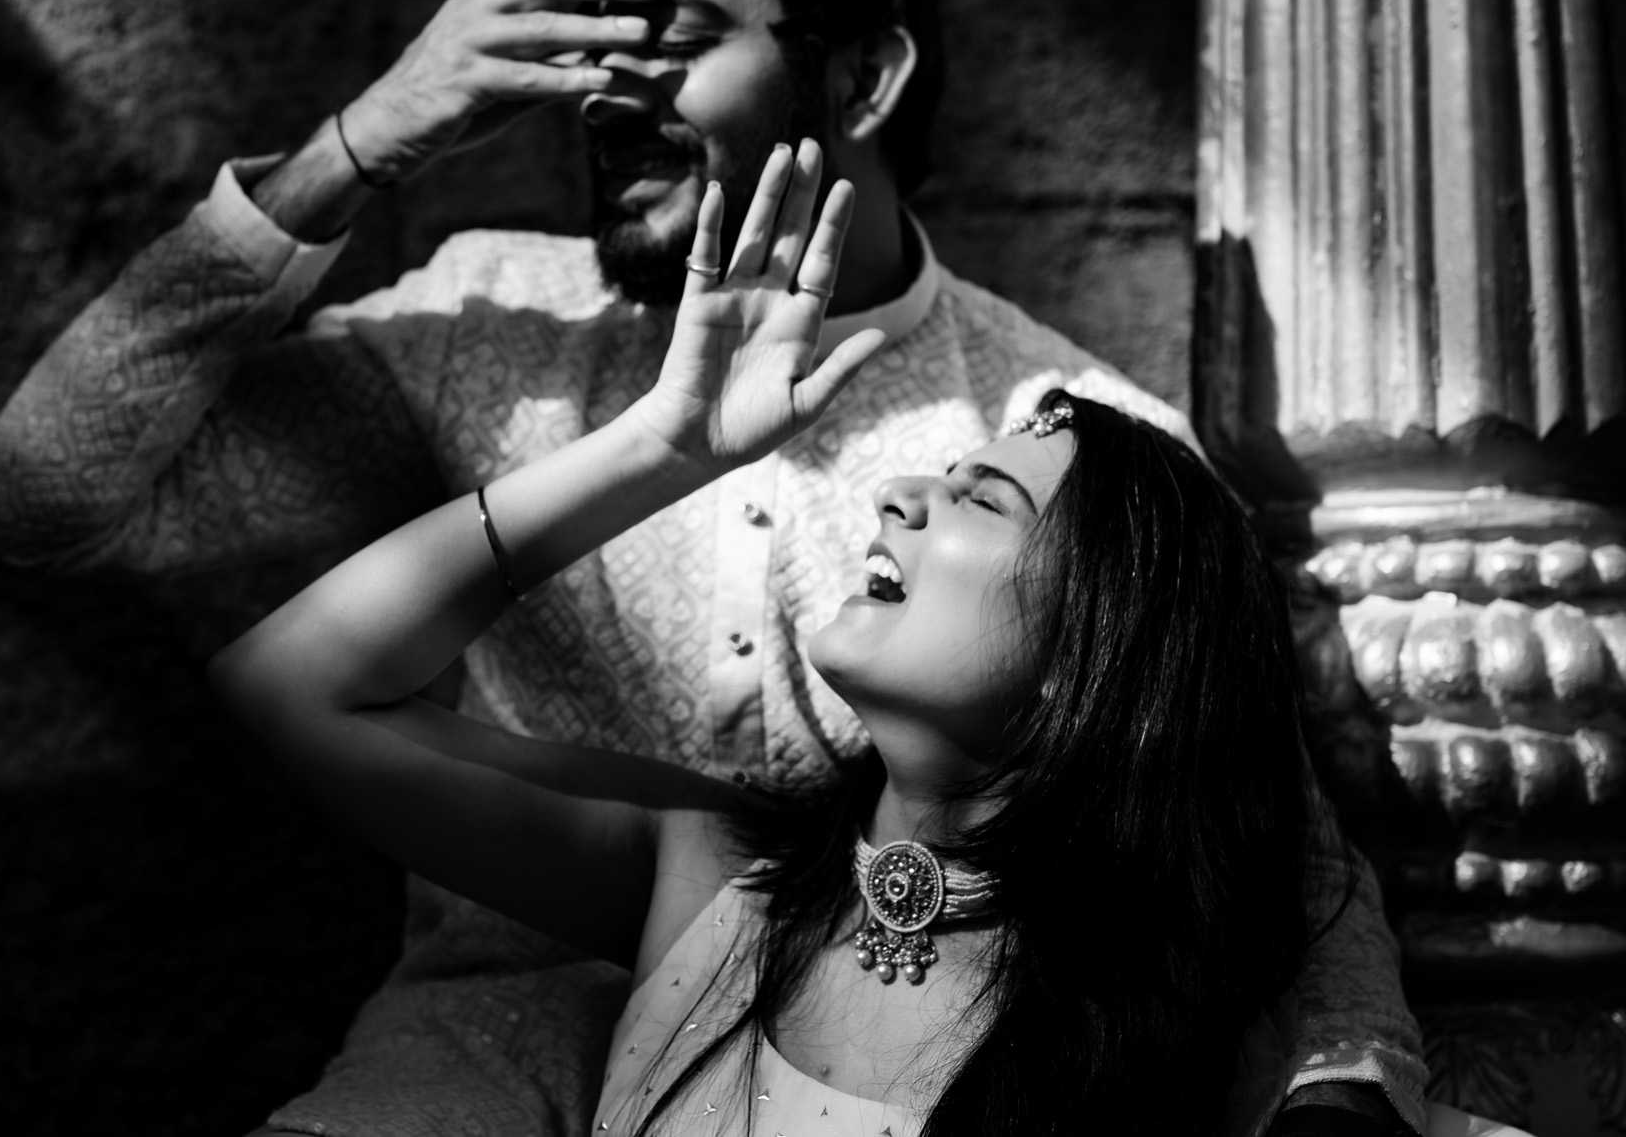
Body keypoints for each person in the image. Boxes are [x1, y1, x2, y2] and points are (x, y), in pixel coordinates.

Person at [0, 0, 1423, 1133]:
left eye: (669, 35)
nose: (604, 88)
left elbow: (1269, 850)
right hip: (473, 1052)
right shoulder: (491, 320)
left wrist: (1340, 1091)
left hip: (896, 1057)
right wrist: (354, 144)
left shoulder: (1059, 441)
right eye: (585, 30)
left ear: (862, 75)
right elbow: (38, 501)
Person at [207, 148, 1344, 1135]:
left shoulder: (1172, 1024)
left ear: (1090, 662)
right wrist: (657, 451)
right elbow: (289, 684)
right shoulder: (707, 875)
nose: (900, 494)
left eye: (982, 499)